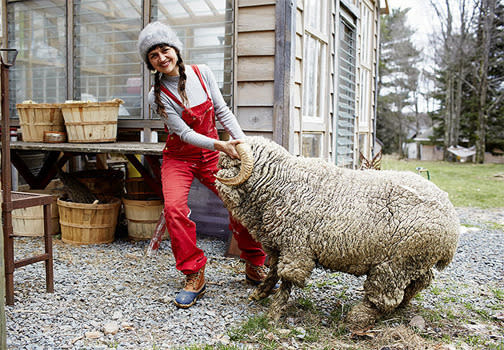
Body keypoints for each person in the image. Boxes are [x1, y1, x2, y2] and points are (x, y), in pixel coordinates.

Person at [137, 21, 269, 308]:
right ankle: (194, 272)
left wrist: (241, 142)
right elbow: (183, 133)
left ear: (175, 50)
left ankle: (255, 262)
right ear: (150, 63)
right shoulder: (156, 95)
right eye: (153, 55)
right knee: (174, 209)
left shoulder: (202, 73)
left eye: (164, 50)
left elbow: (222, 110)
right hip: (179, 157)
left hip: (210, 156)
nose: (162, 58)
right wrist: (219, 144)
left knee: (239, 202)